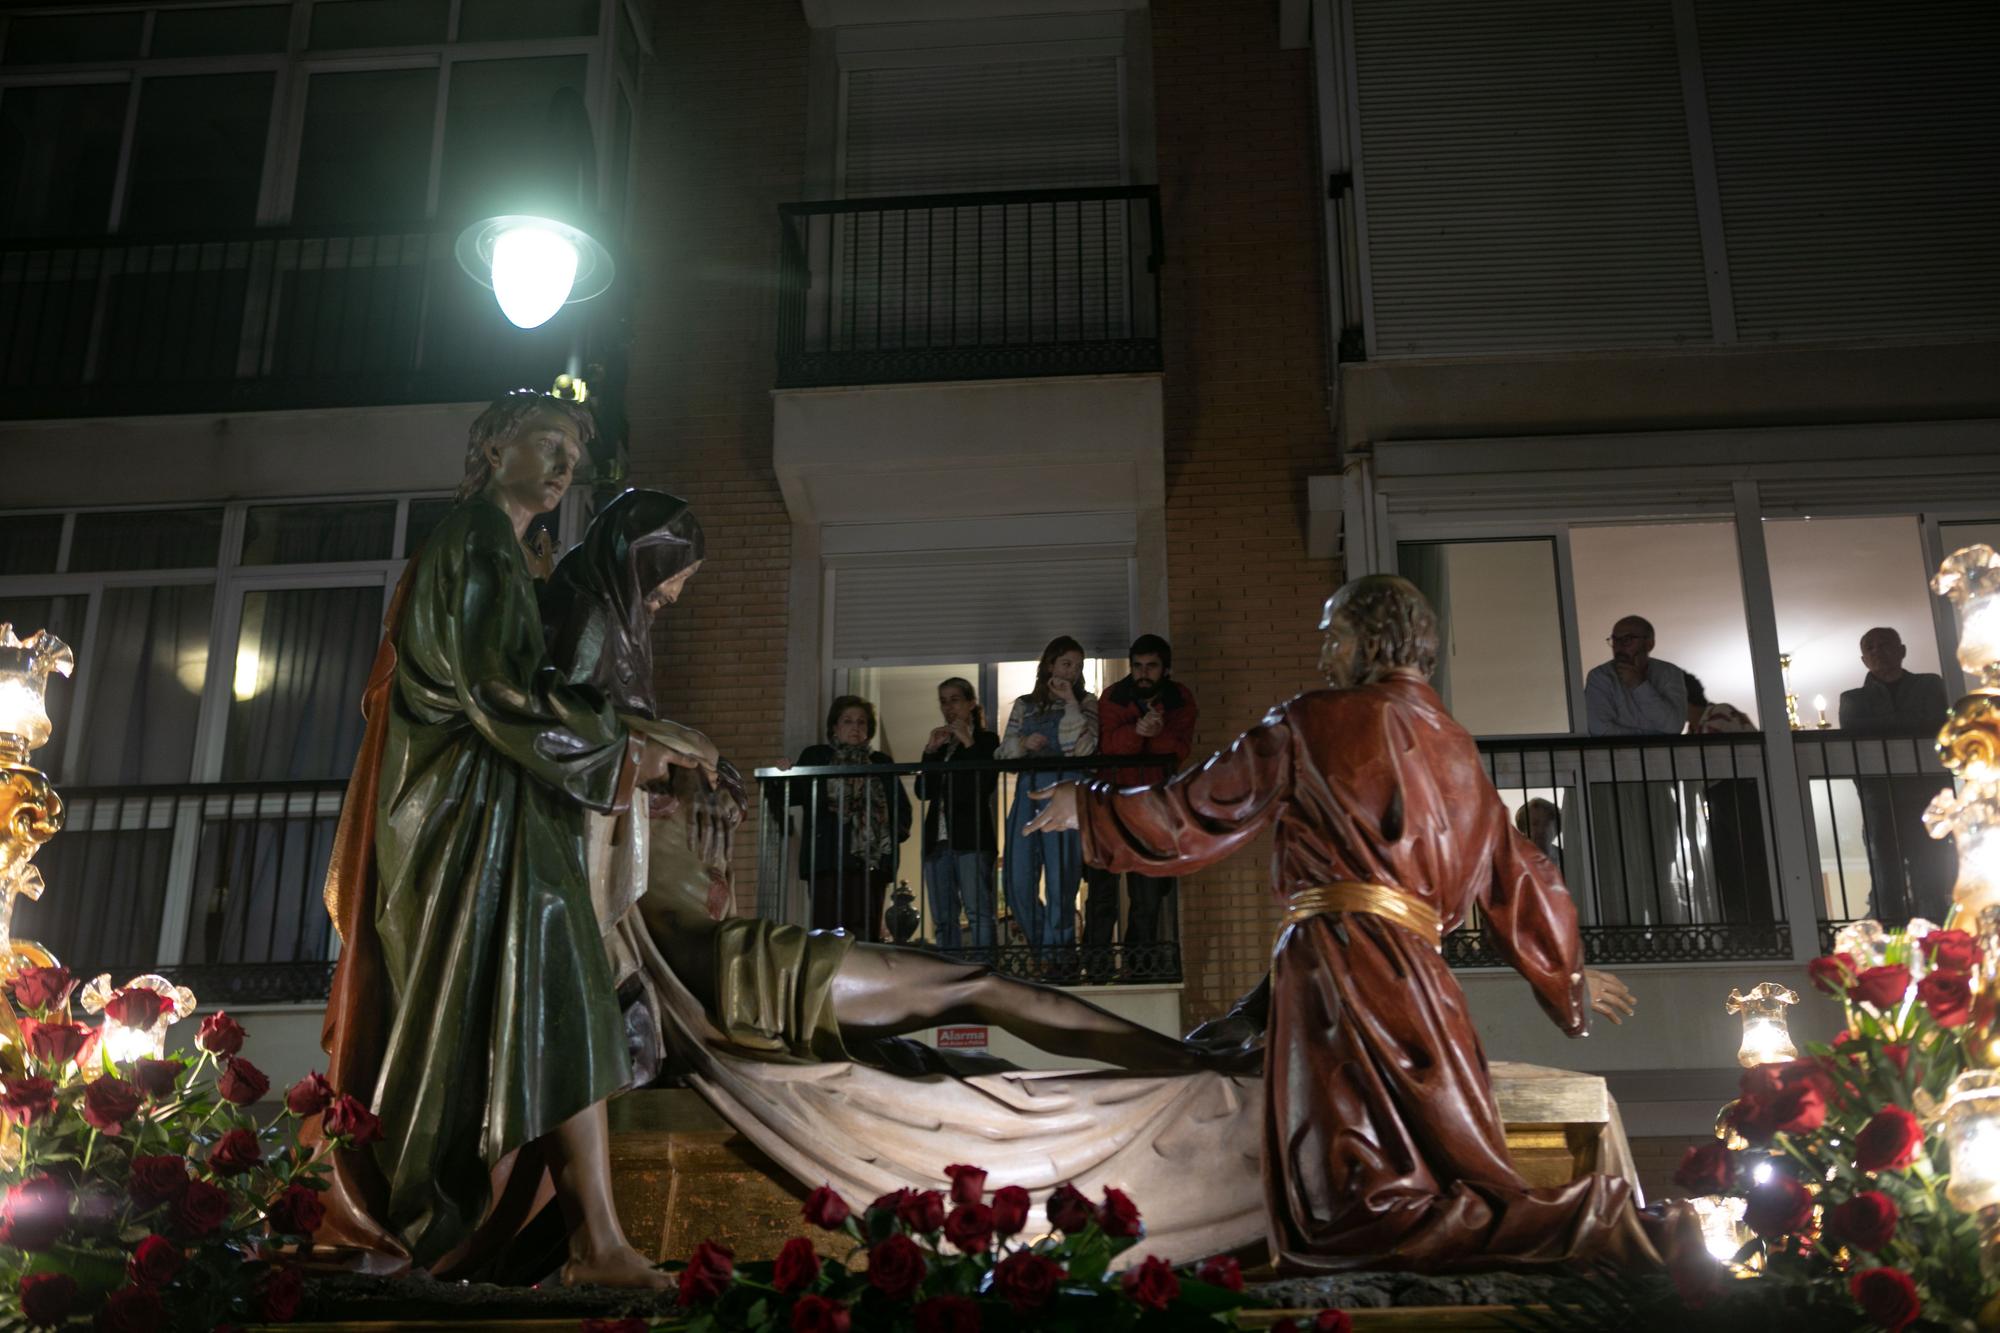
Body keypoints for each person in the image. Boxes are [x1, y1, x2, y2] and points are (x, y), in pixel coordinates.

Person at [1028, 576, 1697, 1274]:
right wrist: (1568, 972)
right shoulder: (1460, 751)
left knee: (1355, 1193)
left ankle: (1598, 1219)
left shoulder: (1315, 720)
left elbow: (1201, 807)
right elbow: (1519, 874)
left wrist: (1093, 805)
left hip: (1339, 972)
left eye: (1334, 634)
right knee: (1410, 1176)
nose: (1324, 654)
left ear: (1375, 638)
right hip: (1423, 987)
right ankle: (1583, 1226)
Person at [315, 391, 692, 1285]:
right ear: (491, 447)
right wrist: (625, 743)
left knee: (531, 1009)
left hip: (492, 814)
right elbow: (501, 694)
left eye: (571, 453)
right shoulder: (478, 543)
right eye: (545, 443)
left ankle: (567, 1236)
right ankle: (459, 1224)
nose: (563, 466)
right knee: (524, 1007)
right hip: (466, 821)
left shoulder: (500, 549)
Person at [1091, 634, 1198, 976]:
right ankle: (1097, 968)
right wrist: (1140, 731)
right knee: (1102, 893)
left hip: (1153, 807)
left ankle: (1138, 967)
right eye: (1137, 666)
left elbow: (1178, 750)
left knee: (1147, 896)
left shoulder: (1180, 698)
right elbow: (1109, 746)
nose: (1143, 673)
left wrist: (1155, 731)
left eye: (1151, 666)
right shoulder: (1114, 696)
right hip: (1110, 804)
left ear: (1165, 668)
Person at [1838, 626, 1955, 922]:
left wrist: (1885, 724)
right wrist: (1910, 722)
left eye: (1886, 644)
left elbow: (1937, 722)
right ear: (1864, 659)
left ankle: (1934, 939)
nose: (1879, 651)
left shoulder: (1930, 684)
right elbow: (1856, 732)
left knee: (1930, 871)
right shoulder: (1852, 699)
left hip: (1927, 793)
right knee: (1885, 875)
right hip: (1880, 797)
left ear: (1902, 651)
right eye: (1871, 647)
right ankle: (1892, 936)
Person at [997, 637, 1099, 960]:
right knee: (1017, 880)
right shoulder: (1024, 704)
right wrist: (1024, 743)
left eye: (1078, 666)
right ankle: (1044, 950)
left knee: (1062, 881)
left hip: (1068, 793)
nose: (1072, 672)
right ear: (1050, 664)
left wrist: (1070, 703)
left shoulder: (1087, 703)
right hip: (1029, 791)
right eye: (1066, 663)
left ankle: (1061, 957)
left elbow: (1083, 749)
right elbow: (1003, 752)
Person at [789, 696, 911, 938]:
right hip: (827, 860)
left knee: (864, 931)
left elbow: (901, 811)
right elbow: (794, 794)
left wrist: (885, 839)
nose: (855, 727)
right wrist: (784, 772)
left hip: (870, 862)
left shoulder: (880, 762)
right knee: (826, 932)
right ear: (835, 727)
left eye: (861, 722)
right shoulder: (817, 756)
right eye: (847, 721)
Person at [916, 677, 1001, 956]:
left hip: (971, 839)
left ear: (970, 703)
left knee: (979, 913)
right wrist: (929, 751)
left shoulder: (987, 740)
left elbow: (984, 784)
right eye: (943, 701)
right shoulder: (940, 746)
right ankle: (949, 975)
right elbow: (923, 791)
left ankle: (984, 972)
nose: (948, 707)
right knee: (943, 918)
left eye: (954, 700)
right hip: (937, 840)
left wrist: (968, 742)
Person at [1684, 673, 1772, 925]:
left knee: (1747, 860)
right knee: (1730, 863)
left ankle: (1757, 924)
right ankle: (1742, 923)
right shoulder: (1694, 727)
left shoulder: (1718, 713)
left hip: (1739, 793)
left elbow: (1714, 763)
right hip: (1722, 797)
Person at [1585, 615, 1688, 736]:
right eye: (1615, 640)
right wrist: (1656, 736)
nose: (1619, 646)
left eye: (1627, 639)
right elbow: (1601, 730)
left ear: (1649, 644)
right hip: (1619, 755)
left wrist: (1640, 685)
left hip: (1662, 754)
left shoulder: (1669, 672)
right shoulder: (1600, 676)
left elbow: (1674, 726)